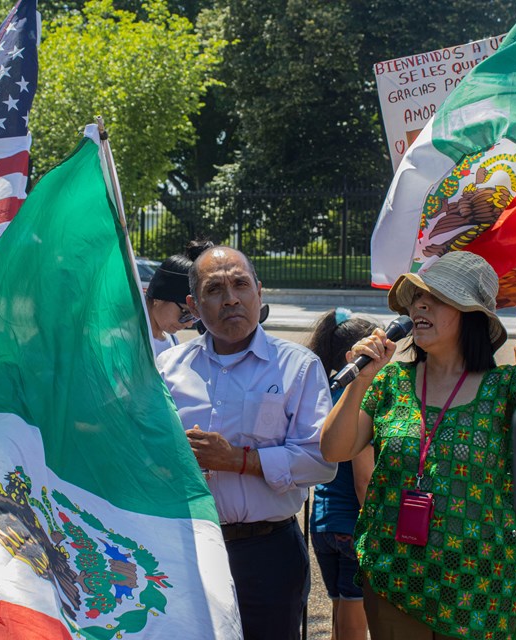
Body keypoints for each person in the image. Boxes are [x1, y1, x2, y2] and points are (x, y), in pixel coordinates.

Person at [320, 250, 516, 640]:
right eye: (416, 297)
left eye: (439, 297)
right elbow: (333, 450)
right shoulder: (390, 382)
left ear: (473, 316)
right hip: (396, 580)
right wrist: (362, 377)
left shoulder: (508, 389)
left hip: (481, 591)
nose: (420, 304)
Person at [156, 245, 337, 640]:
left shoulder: (298, 366)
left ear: (259, 291)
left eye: (240, 284)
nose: (231, 298)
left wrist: (238, 459)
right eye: (215, 289)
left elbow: (321, 461)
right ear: (193, 303)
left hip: (266, 554)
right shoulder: (167, 370)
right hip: (187, 550)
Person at [306, 308, 376, 640]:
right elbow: (364, 478)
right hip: (353, 523)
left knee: (339, 617)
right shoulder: (362, 401)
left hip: (323, 523)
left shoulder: (330, 395)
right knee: (353, 626)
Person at [145, 240, 212, 357]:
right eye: (185, 313)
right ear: (159, 297)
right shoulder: (122, 340)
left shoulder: (172, 342)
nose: (189, 324)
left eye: (194, 317)